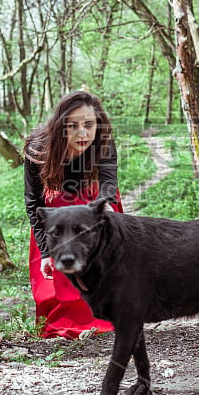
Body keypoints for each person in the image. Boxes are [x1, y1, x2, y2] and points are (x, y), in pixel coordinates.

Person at [23, 90, 123, 338]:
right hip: (55, 214)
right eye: (73, 126)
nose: (83, 133)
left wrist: (105, 216)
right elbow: (33, 200)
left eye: (89, 125)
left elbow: (109, 185)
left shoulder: (103, 143)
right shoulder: (39, 150)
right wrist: (46, 251)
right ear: (60, 126)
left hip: (94, 204)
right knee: (54, 285)